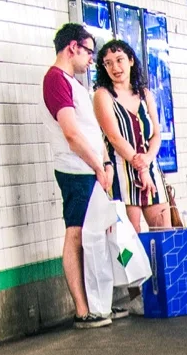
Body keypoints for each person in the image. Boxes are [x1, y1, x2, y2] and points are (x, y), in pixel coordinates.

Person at [43, 23, 116, 329]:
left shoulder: (74, 83)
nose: (91, 59)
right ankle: (83, 309)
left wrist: (106, 163)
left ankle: (98, 303)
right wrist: (99, 167)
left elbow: (90, 130)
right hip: (75, 170)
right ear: (72, 47)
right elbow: (71, 134)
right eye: (88, 51)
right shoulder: (55, 80)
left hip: (91, 168)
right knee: (76, 234)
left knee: (92, 235)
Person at [94, 39, 169, 232]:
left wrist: (148, 160)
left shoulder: (145, 94)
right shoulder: (103, 95)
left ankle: (157, 265)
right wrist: (141, 168)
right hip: (121, 174)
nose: (115, 67)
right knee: (128, 240)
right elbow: (114, 137)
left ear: (131, 61)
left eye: (119, 60)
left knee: (164, 232)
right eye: (108, 63)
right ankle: (134, 265)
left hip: (151, 170)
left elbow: (156, 135)